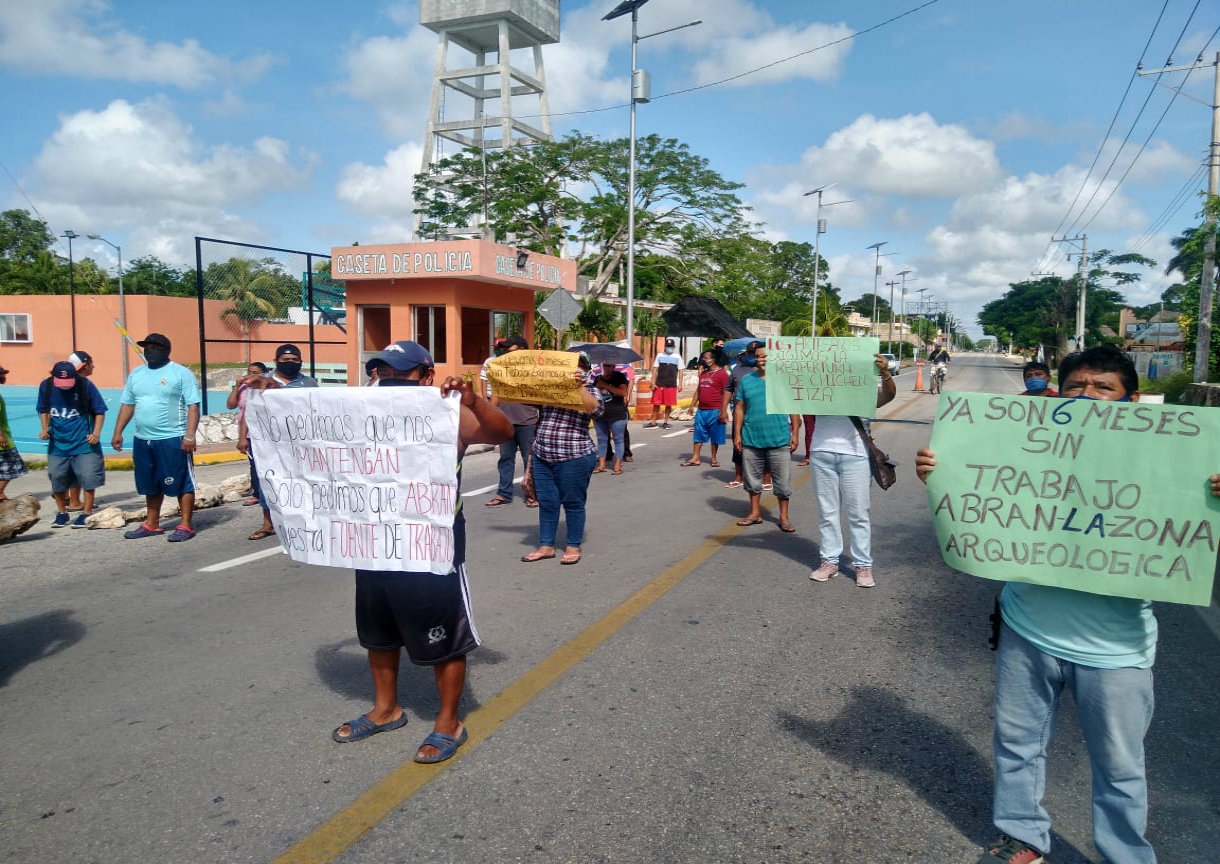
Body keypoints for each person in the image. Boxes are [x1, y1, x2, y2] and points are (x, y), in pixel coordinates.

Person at [915, 344, 1206, 864]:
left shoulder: (1170, 465)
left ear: (1131, 400)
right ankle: (1021, 837)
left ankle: (1126, 855)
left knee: (1120, 766)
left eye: (1103, 388)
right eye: (1077, 387)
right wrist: (942, 470)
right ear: (1058, 393)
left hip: (1116, 650)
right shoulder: (1029, 447)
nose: (1088, 396)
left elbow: (1196, 542)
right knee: (1018, 745)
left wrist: (1212, 505)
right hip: (1028, 630)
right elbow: (977, 487)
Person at [331, 340, 513, 765]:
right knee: (378, 633)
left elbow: (502, 433)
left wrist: (473, 401)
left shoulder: (447, 413)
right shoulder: (361, 411)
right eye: (382, 372)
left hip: (432, 545)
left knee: (443, 637)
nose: (388, 379)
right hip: (375, 542)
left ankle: (449, 721)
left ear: (426, 375)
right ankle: (385, 709)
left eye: (401, 373)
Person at [807, 354, 897, 588]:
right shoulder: (819, 386)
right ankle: (829, 561)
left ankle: (863, 565)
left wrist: (885, 374)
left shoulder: (863, 388)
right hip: (821, 452)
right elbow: (788, 394)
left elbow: (887, 396)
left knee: (858, 513)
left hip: (856, 455)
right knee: (827, 512)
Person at [111, 333, 202, 542]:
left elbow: (193, 406)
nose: (150, 350)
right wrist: (118, 432)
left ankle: (185, 524)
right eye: (147, 346)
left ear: (166, 350)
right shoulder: (136, 375)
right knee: (149, 483)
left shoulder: (181, 373)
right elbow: (128, 404)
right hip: (143, 439)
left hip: (173, 438)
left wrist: (189, 435)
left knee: (182, 482)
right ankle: (152, 523)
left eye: (155, 347)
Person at [520, 354, 603, 566]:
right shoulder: (551, 389)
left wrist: (579, 387)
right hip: (542, 455)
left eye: (579, 367)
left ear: (586, 371)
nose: (574, 370)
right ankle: (546, 546)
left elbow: (595, 409)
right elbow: (525, 396)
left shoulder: (591, 390)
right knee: (547, 503)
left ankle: (573, 545)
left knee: (573, 503)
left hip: (574, 457)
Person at [242, 345, 318, 540]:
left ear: (301, 361)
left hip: (300, 442)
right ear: (275, 361)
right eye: (285, 360)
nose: (290, 363)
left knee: (302, 481)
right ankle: (268, 524)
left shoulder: (309, 383)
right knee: (268, 481)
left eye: (294, 360)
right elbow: (249, 412)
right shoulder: (261, 382)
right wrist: (243, 437)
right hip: (269, 443)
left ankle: (305, 521)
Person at [730, 344, 799, 532]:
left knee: (782, 483)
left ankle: (784, 517)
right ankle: (754, 513)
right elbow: (739, 408)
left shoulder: (784, 380)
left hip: (779, 439)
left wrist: (795, 433)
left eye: (766, 356)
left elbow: (793, 407)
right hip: (752, 438)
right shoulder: (746, 380)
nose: (762, 359)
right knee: (752, 480)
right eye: (759, 356)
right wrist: (737, 433)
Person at [37, 361, 107, 527]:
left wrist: (96, 433)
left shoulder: (85, 385)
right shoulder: (46, 387)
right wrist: (45, 428)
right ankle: (62, 513)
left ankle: (86, 512)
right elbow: (43, 409)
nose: (65, 386)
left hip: (83, 443)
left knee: (88, 477)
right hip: (58, 444)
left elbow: (99, 411)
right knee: (57, 476)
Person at [482, 335, 539, 507]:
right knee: (505, 459)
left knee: (529, 460)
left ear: (522, 350)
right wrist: (490, 417)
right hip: (505, 421)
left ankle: (532, 494)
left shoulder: (534, 370)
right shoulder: (502, 370)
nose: (507, 354)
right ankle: (503, 493)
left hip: (527, 421)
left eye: (510, 350)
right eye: (506, 351)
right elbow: (496, 395)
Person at [227, 362, 269, 506]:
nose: (251, 375)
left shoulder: (265, 388)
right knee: (254, 464)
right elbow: (231, 405)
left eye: (256, 372)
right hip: (247, 432)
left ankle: (267, 492)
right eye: (249, 372)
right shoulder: (244, 388)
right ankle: (257, 493)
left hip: (263, 431)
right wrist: (237, 387)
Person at [724, 340, 763, 489]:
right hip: (741, 412)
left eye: (757, 353)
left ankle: (766, 478)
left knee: (763, 445)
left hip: (761, 413)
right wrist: (723, 410)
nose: (754, 356)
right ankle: (738, 476)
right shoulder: (737, 370)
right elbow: (728, 389)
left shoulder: (769, 370)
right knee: (738, 443)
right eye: (752, 353)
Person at [682, 348, 729, 468]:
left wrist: (724, 411)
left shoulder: (722, 374)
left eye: (707, 358)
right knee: (698, 434)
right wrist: (692, 405)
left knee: (715, 435)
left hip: (716, 410)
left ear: (713, 359)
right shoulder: (703, 374)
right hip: (702, 410)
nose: (704, 360)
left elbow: (727, 393)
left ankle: (713, 458)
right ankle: (695, 457)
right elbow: (699, 390)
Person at [64, 349, 96, 512]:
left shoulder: (60, 382)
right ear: (84, 365)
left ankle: (68, 497)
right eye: (91, 363)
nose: (94, 366)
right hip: (78, 432)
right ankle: (74, 501)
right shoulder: (82, 385)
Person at [591, 360, 630, 475]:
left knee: (618, 439)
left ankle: (617, 464)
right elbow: (593, 393)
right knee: (602, 439)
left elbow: (623, 393)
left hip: (617, 414)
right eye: (605, 365)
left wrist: (606, 386)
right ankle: (601, 464)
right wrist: (597, 387)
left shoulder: (620, 377)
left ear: (613, 366)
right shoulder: (598, 378)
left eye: (610, 365)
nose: (607, 368)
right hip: (601, 414)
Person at [0, 362, 28, 502]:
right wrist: (1, 436)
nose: (4, 376)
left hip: (5, 437)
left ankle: (1, 494)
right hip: (3, 440)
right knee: (13, 467)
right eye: (2, 374)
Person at [645, 338, 681, 429]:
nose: (669, 348)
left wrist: (680, 384)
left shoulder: (677, 357)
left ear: (674, 347)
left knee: (668, 404)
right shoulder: (659, 356)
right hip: (659, 384)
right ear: (665, 347)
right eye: (667, 346)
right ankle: (653, 422)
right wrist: (653, 382)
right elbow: (655, 369)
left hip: (671, 384)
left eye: (671, 346)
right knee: (656, 403)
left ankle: (666, 422)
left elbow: (681, 371)